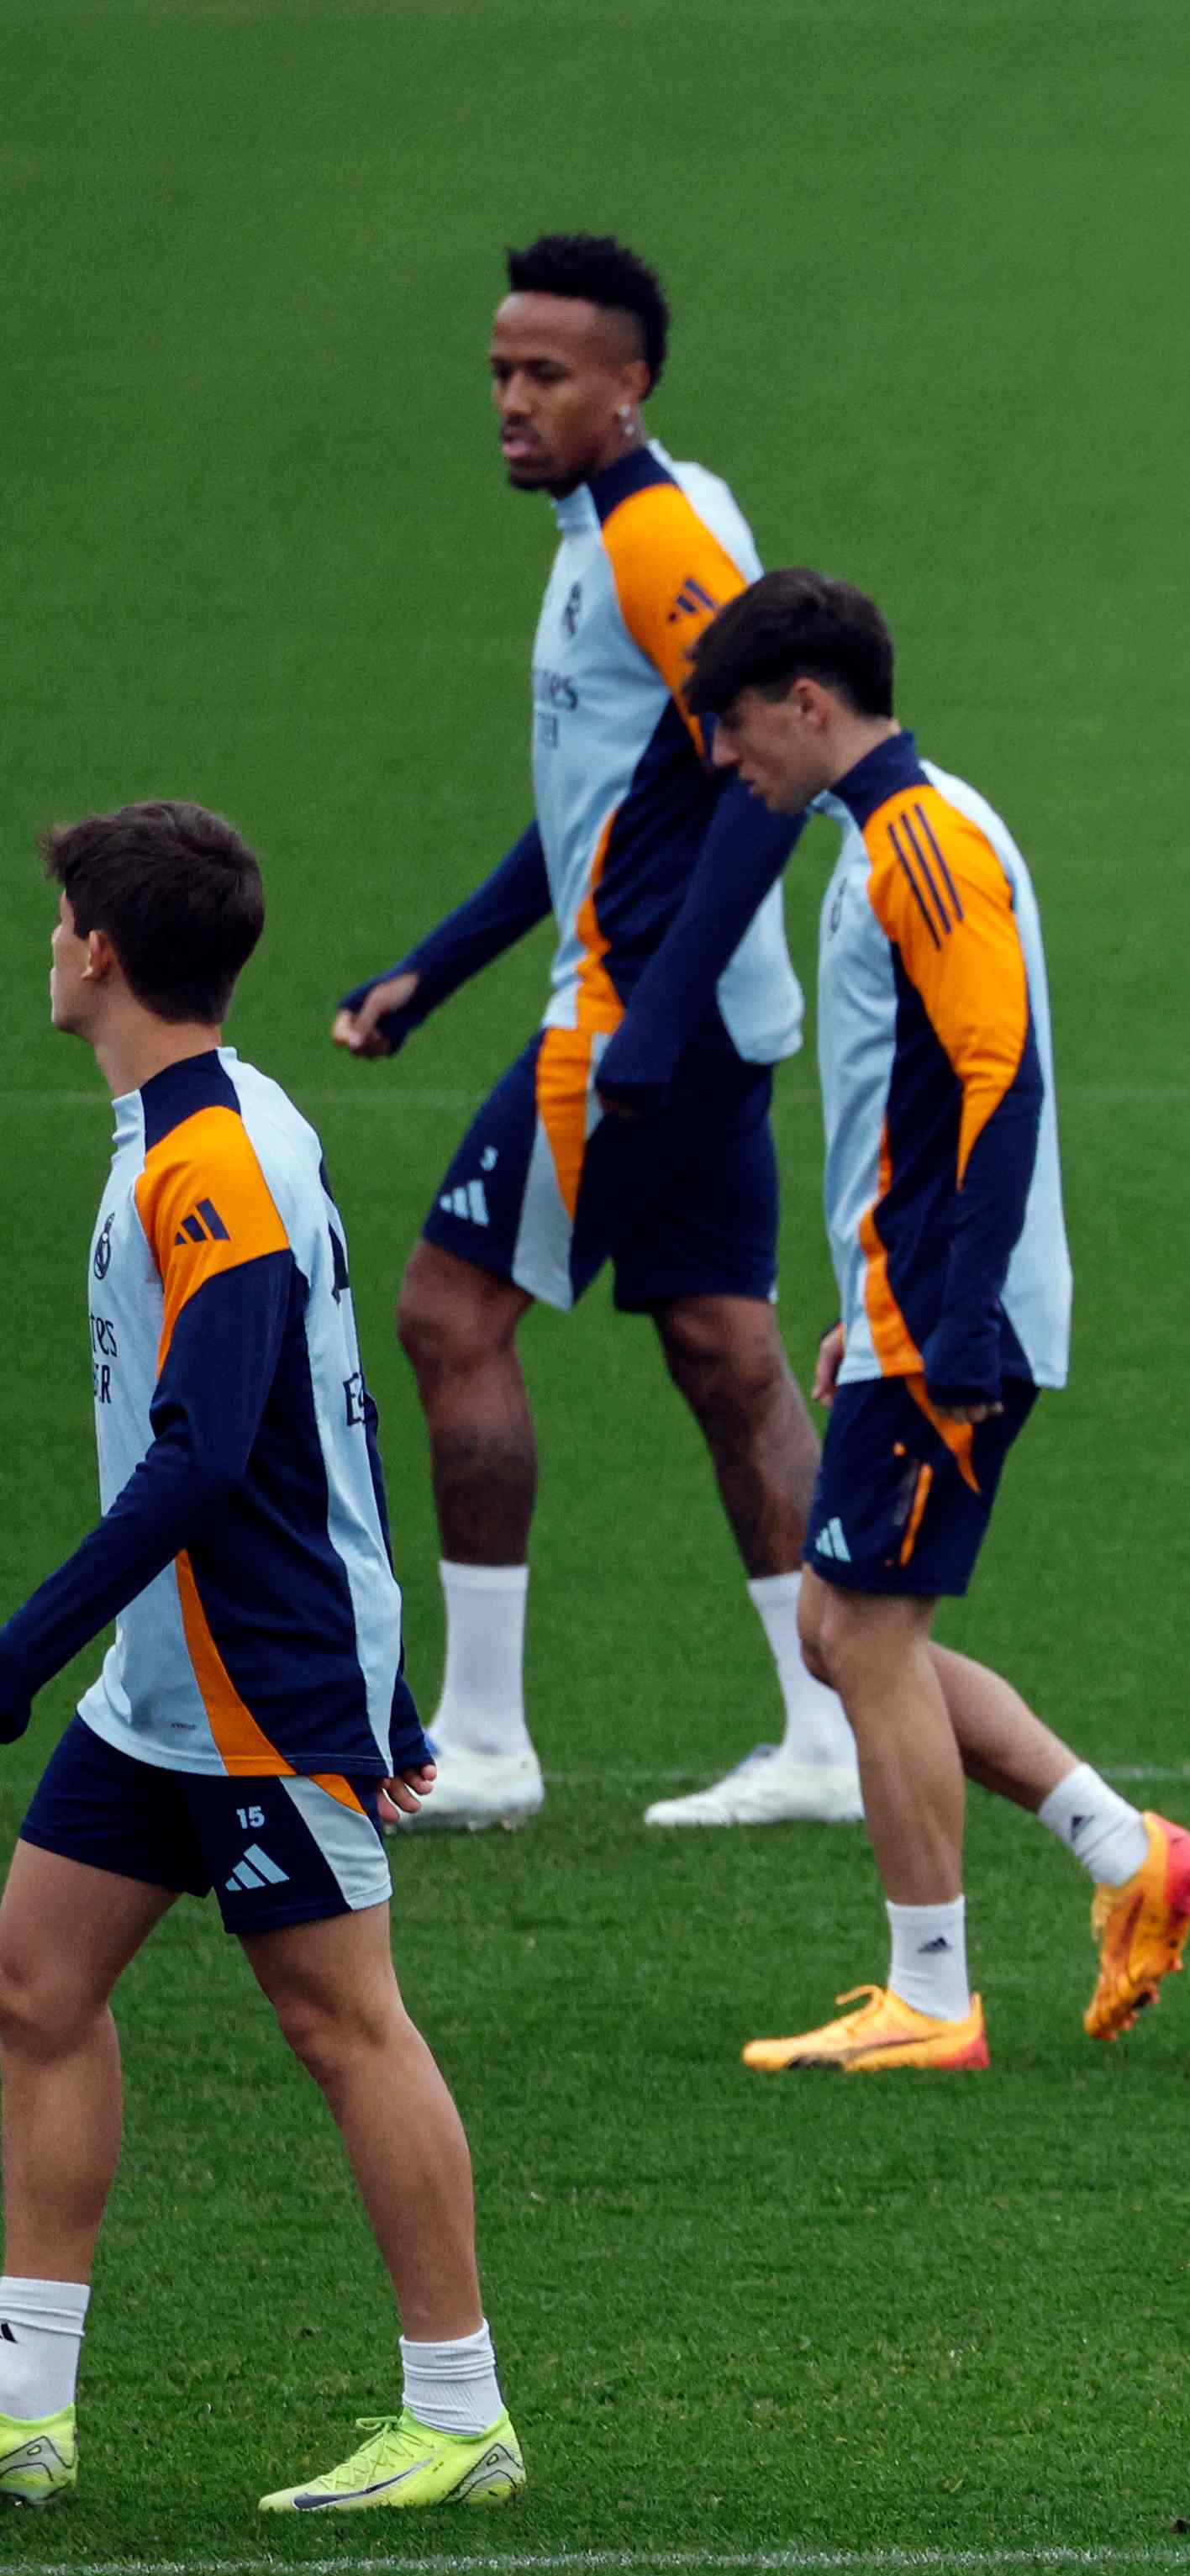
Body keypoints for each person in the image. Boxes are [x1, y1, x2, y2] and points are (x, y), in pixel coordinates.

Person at [1, 803, 522, 2515]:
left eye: (63, 917)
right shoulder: (208, 1124)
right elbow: (336, 1411)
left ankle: (458, 2416)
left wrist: (21, 1647)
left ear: (102, 953)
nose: (51, 943)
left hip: (250, 1680)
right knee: (33, 1987)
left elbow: (218, 1447)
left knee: (342, 2023)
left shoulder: (208, 1161)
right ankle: (27, 2409)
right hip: (168, 1691)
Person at [327, 234, 854, 1836]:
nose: (510, 399)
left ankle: (483, 1739)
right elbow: (609, 806)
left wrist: (657, 1011)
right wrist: (440, 963)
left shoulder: (655, 544)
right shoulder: (607, 531)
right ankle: (834, 1733)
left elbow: (775, 769)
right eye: (499, 370)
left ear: (630, 388)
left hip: (639, 1022)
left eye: (546, 375)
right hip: (685, 1013)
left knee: (445, 1315)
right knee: (724, 1350)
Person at [676, 576, 1190, 2073]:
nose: (731, 765)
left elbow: (1001, 1080)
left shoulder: (921, 841)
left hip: (951, 1316)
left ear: (807, 702)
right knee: (849, 1628)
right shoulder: (892, 836)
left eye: (734, 729)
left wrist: (951, 1317)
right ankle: (1128, 1850)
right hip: (914, 1302)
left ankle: (934, 1995)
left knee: (858, 1629)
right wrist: (876, 1302)